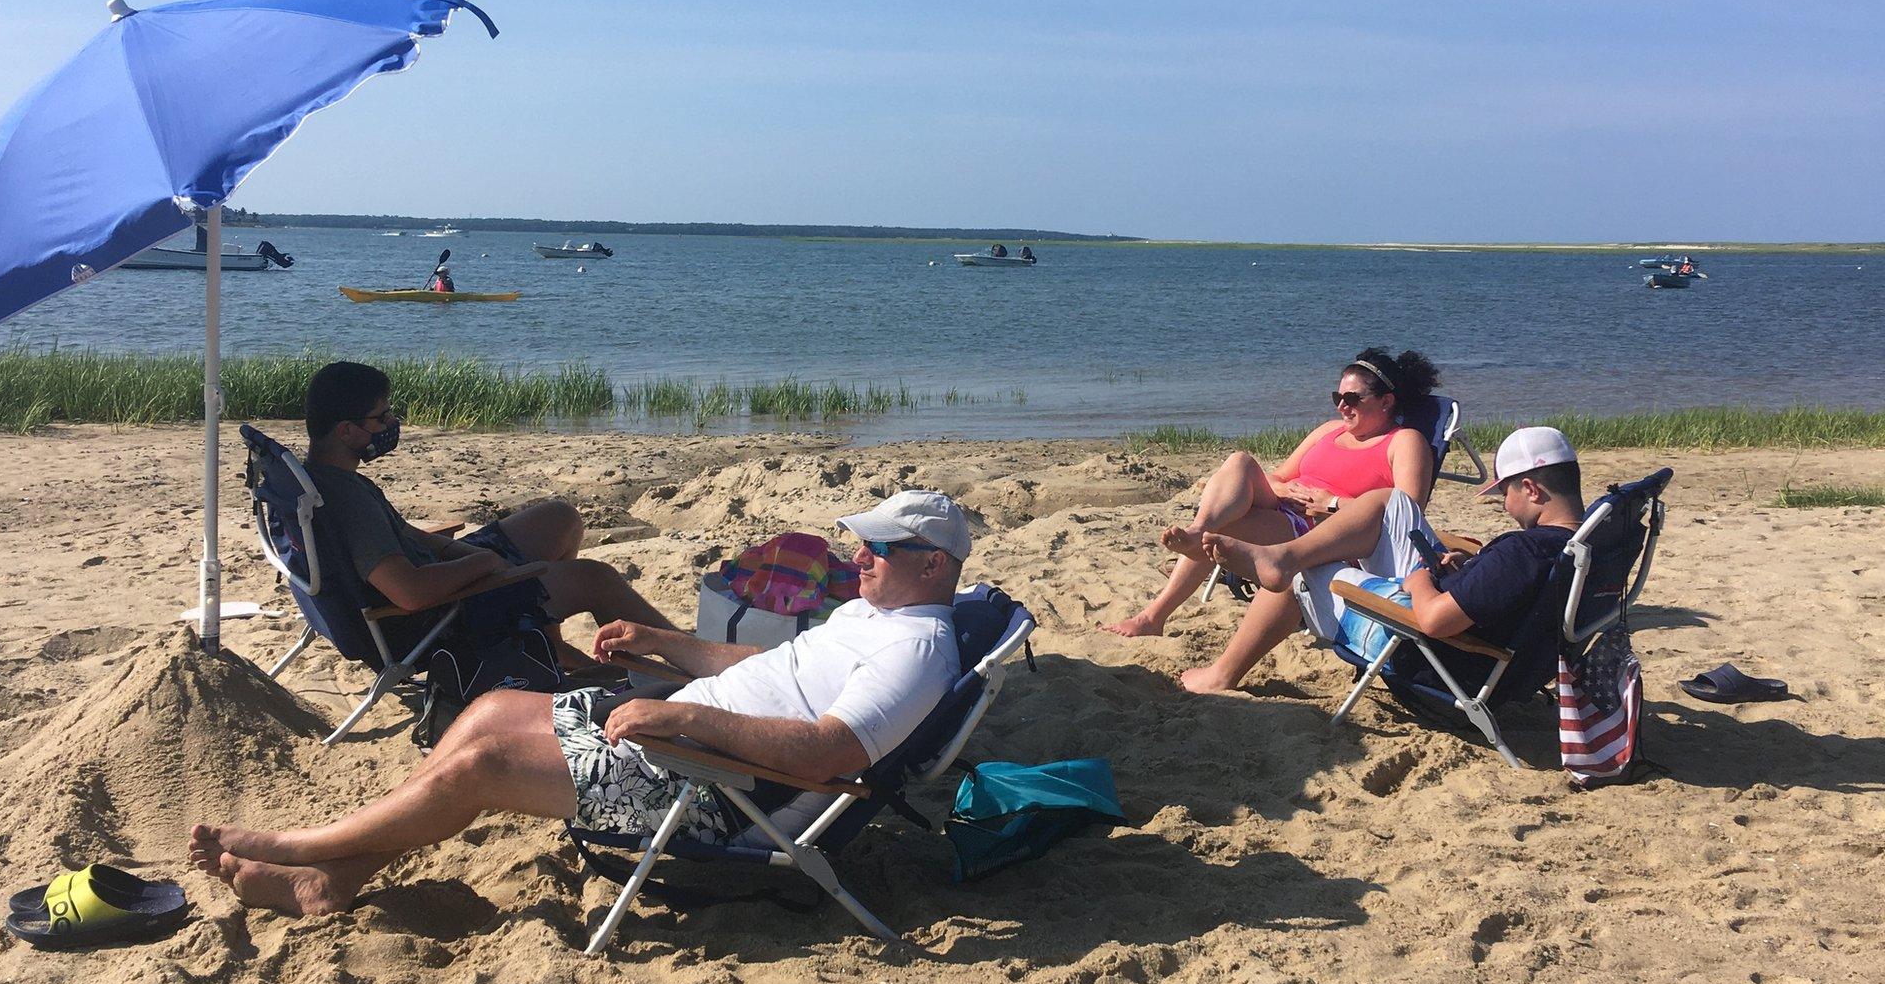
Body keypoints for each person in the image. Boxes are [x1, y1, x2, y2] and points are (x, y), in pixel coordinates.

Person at [188, 490, 973, 917]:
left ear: (933, 565)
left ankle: (303, 850)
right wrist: (667, 649)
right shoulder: (870, 613)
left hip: (718, 785)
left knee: (485, 764)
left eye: (879, 548)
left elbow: (832, 755)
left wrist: (685, 716)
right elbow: (766, 664)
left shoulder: (917, 649)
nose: (858, 555)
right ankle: (336, 880)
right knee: (493, 706)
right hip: (692, 730)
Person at [1101, 348, 1441, 695]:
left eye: (1352, 397)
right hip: (1288, 511)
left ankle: (1194, 555)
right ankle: (1159, 604)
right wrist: (1285, 491)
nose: (1341, 405)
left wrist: (1333, 502)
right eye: (1337, 396)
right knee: (1240, 462)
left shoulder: (1404, 442)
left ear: (1385, 401)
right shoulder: (1328, 431)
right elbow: (1277, 477)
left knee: (1221, 539)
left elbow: (1404, 513)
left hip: (1329, 533)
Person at [299, 361, 675, 666]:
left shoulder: (323, 480)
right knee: (596, 578)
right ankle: (686, 657)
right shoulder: (348, 503)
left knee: (560, 518)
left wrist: (465, 553)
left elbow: (409, 536)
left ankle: (546, 645)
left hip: (441, 574)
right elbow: (409, 592)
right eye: (382, 418)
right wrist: (481, 566)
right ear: (347, 431)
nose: (392, 424)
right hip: (439, 618)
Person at [1191, 427, 1585, 692]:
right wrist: (1468, 569)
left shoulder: (1523, 551)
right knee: (1391, 502)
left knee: (1307, 567)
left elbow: (1435, 620)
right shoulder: (1587, 546)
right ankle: (1282, 556)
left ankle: (1223, 672)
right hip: (1508, 653)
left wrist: (1418, 578)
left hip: (1436, 656)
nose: (1504, 506)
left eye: (1505, 494)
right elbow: (1502, 590)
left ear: (1531, 489)